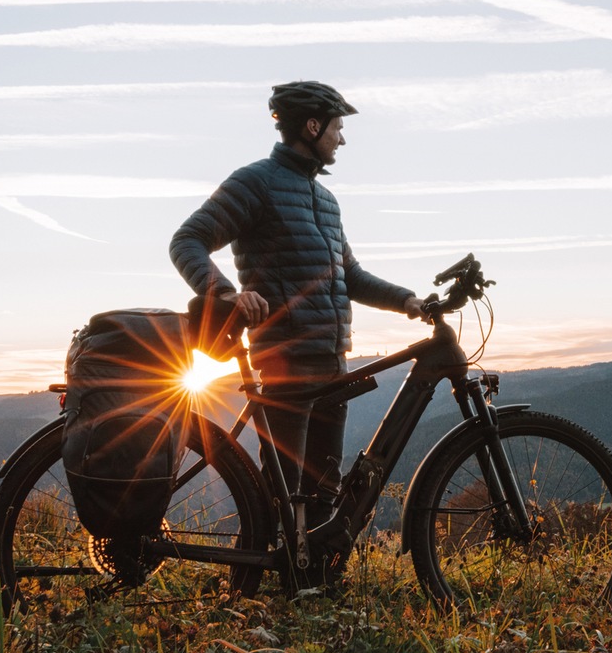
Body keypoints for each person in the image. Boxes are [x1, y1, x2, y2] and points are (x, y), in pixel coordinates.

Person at [170, 80, 425, 528]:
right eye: (337, 128)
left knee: (324, 487)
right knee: (286, 496)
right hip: (287, 360)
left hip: (333, 363)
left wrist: (408, 301)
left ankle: (315, 582)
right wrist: (225, 293)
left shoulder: (327, 202)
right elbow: (187, 239)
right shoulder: (256, 183)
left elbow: (351, 277)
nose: (342, 138)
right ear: (312, 126)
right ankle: (272, 577)